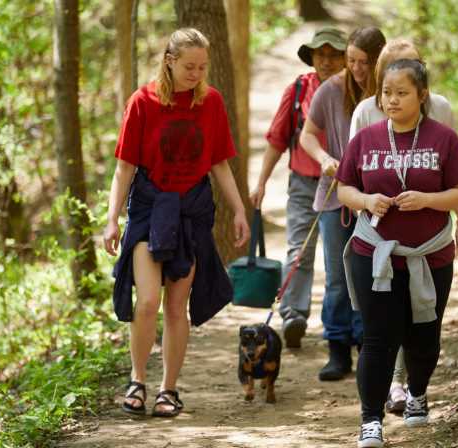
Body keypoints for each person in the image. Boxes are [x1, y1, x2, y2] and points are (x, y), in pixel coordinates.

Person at [103, 28, 249, 418]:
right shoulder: (142, 102)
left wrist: (239, 210)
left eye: (202, 67)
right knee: (148, 300)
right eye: (189, 67)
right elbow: (124, 168)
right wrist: (112, 219)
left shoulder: (211, 101)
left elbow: (220, 163)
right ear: (169, 61)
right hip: (150, 208)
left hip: (191, 210)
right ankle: (137, 380)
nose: (196, 74)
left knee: (175, 305)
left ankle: (168, 389)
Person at [336, 59, 458, 447]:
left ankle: (417, 392)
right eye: (386, 92)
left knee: (424, 336)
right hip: (374, 253)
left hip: (430, 255)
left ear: (422, 95)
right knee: (378, 338)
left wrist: (427, 199)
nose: (392, 100)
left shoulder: (444, 139)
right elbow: (344, 188)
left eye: (402, 93)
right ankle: (370, 419)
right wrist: (367, 200)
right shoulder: (366, 139)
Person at [250, 27, 347, 349]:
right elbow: (277, 139)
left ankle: (343, 324)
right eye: (321, 54)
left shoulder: (355, 92)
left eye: (334, 55)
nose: (327, 61)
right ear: (312, 57)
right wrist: (261, 183)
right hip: (304, 183)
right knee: (298, 251)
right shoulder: (298, 90)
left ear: (345, 58)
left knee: (339, 258)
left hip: (343, 187)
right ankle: (293, 315)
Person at [299, 26, 386, 381]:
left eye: (364, 62)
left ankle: (368, 343)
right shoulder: (331, 89)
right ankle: (336, 346)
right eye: (351, 60)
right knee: (337, 276)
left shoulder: (388, 92)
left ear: (378, 60)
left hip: (377, 199)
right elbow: (307, 135)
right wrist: (323, 158)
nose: (357, 68)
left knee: (370, 275)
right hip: (335, 195)